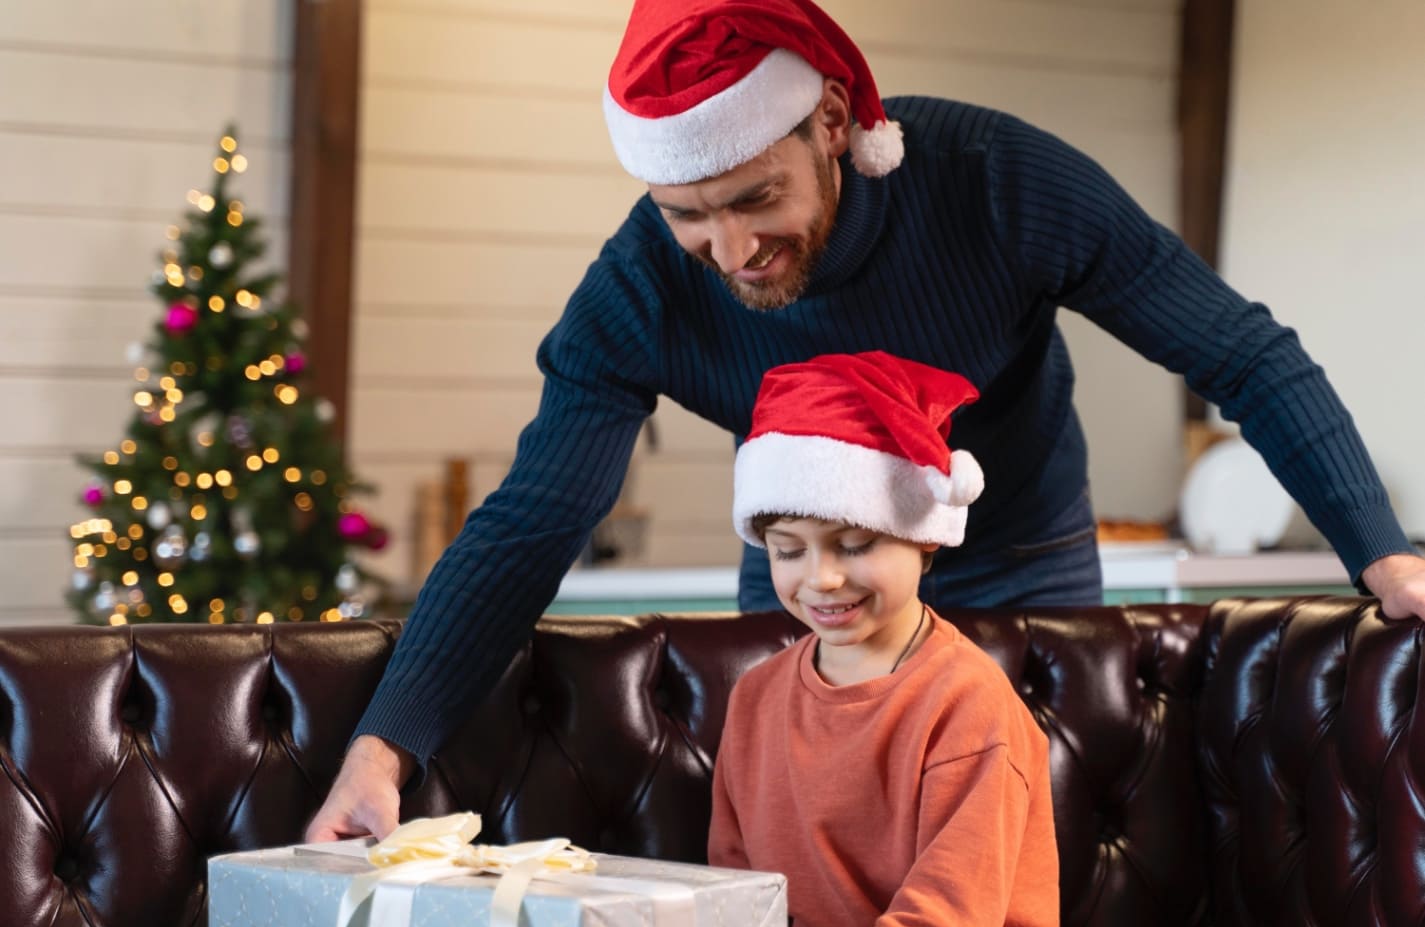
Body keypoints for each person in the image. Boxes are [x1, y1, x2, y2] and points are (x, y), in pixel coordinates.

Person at [305, 0, 1425, 843]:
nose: (732, 251)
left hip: (1021, 556)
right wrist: (383, 747)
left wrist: (1379, 548)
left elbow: (1237, 348)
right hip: (804, 578)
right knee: (820, 846)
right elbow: (531, 523)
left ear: (833, 121)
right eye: (689, 216)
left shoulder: (998, 182)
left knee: (1036, 837)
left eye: (755, 198)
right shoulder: (641, 288)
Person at [707, 351, 1060, 927]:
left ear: (924, 540)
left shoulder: (968, 704)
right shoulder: (755, 699)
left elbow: (946, 925)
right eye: (789, 551)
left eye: (854, 543)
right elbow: (737, 903)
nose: (821, 578)